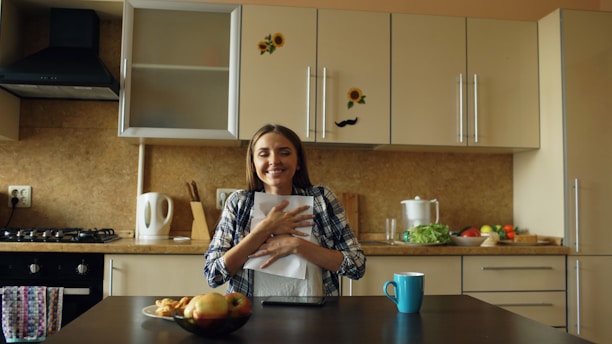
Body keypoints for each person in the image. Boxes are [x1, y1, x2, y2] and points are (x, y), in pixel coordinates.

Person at [204, 124, 366, 297]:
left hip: (317, 317)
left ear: (298, 163)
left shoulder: (322, 199)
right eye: (263, 154)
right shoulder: (239, 203)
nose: (274, 160)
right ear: (253, 165)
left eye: (285, 152)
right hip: (250, 317)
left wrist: (296, 245)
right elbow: (214, 274)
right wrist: (264, 229)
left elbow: (356, 266)